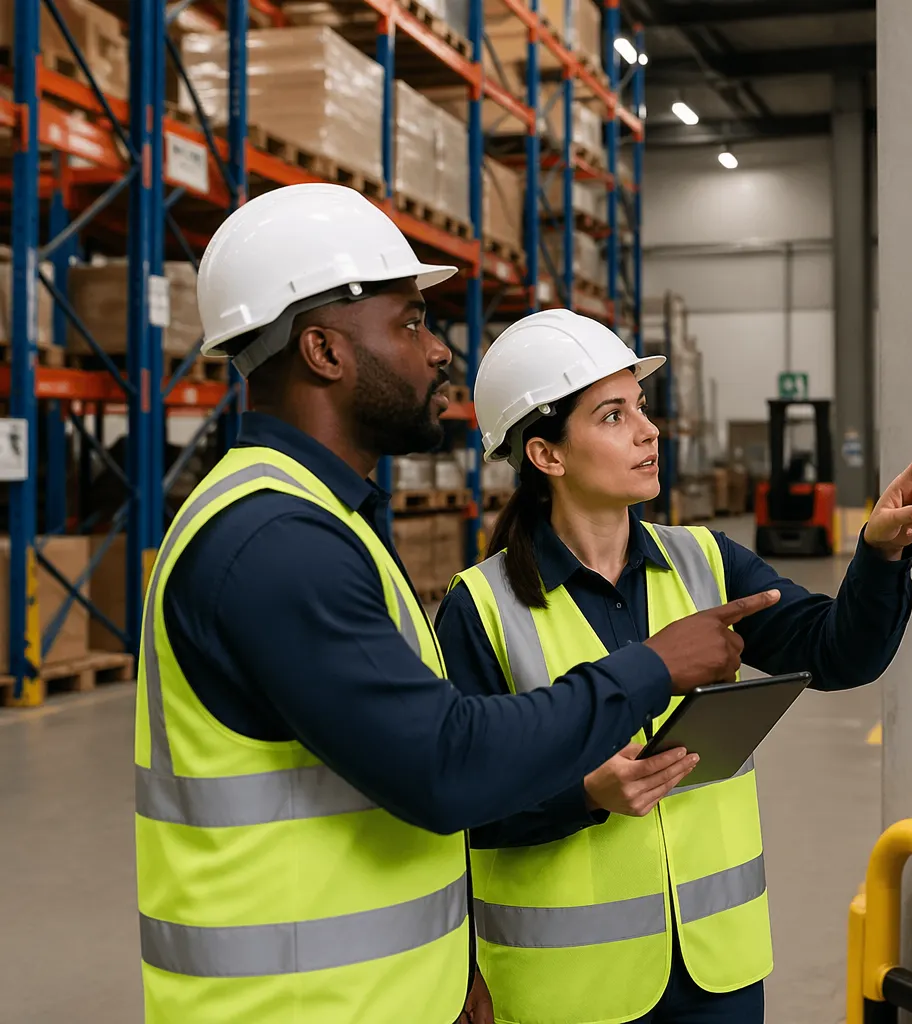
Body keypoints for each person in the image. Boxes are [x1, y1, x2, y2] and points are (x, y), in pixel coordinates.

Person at [133, 184, 780, 1024]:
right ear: (324, 351)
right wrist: (651, 667)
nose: (439, 351)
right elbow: (446, 767)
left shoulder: (320, 521)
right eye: (409, 323)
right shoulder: (275, 542)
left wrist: (453, 964)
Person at [433, 309, 912, 1024]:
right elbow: (459, 804)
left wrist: (882, 552)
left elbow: (837, 653)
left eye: (641, 408)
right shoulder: (483, 607)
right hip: (573, 992)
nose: (649, 432)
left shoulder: (705, 561)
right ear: (546, 455)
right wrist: (583, 795)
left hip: (717, 973)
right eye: (613, 416)